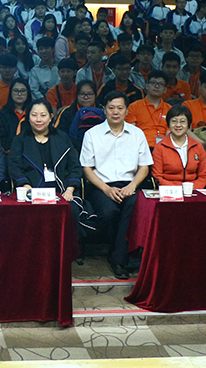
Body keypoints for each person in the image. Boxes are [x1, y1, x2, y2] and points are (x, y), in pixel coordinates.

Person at [80, 90, 153, 279]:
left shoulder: (137, 134)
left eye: (120, 108)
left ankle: (117, 259)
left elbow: (144, 167)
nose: (115, 112)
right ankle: (120, 255)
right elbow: (87, 169)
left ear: (127, 110)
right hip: (101, 185)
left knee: (134, 208)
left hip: (130, 184)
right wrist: (106, 189)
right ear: (104, 109)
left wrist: (132, 186)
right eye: (111, 108)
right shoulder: (92, 134)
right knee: (109, 213)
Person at [8, 99, 81, 200]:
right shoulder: (20, 140)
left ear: (51, 117)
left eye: (43, 115)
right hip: (31, 190)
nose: (38, 120)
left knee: (71, 207)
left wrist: (69, 190)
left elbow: (74, 166)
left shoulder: (62, 138)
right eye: (34, 115)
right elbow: (14, 167)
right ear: (28, 117)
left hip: (62, 191)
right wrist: (27, 187)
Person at [151, 104, 206, 189]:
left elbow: (203, 176)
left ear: (188, 125)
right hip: (169, 190)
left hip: (194, 190)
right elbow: (157, 176)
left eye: (182, 121)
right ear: (168, 124)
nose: (178, 125)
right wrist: (177, 189)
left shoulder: (197, 146)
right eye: (174, 121)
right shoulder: (160, 147)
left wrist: (191, 188)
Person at [125, 71, 173, 148]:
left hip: (164, 148)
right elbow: (131, 132)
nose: (156, 86)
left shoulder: (170, 109)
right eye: (153, 83)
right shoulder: (134, 106)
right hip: (140, 146)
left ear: (165, 89)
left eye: (160, 84)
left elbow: (170, 134)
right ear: (146, 86)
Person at [0, 79, 30, 153]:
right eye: (16, 91)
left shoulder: (33, 113)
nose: (19, 94)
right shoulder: (1, 115)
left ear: (28, 93)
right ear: (10, 92)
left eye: (23, 91)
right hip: (8, 154)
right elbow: (1, 140)